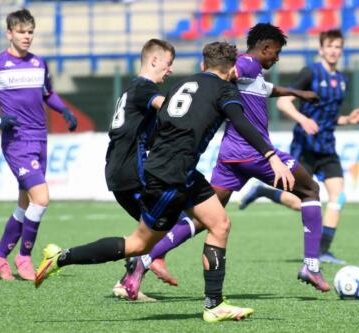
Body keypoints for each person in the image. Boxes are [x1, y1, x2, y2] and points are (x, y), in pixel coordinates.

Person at [34, 41, 294, 322]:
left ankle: (214, 305)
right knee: (138, 244)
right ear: (232, 68)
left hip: (180, 172)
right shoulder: (224, 90)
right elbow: (242, 123)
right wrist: (271, 156)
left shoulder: (184, 83)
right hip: (170, 178)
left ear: (202, 65)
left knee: (220, 224)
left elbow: (163, 123)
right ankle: (60, 258)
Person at [124, 23, 332, 292]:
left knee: (204, 218)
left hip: (230, 157)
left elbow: (266, 89)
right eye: (276, 52)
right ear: (265, 48)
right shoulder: (246, 63)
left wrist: (297, 92)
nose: (277, 58)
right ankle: (311, 266)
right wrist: (223, 74)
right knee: (310, 189)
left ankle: (147, 257)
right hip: (252, 152)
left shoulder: (253, 73)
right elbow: (233, 71)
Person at [0, 9, 77, 281]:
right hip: (17, 141)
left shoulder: (39, 63)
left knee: (24, 204)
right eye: (21, 32)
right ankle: (24, 257)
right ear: (9, 33)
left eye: (30, 32)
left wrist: (64, 111)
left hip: (40, 138)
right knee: (41, 199)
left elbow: (48, 94)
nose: (27, 36)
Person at [240, 29, 359, 265]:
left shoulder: (343, 81)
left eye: (338, 47)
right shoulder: (310, 72)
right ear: (321, 49)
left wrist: (347, 120)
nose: (333, 51)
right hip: (305, 146)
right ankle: (266, 191)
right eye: (329, 46)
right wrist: (302, 119)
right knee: (301, 202)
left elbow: (329, 117)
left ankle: (323, 251)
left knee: (338, 198)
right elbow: (285, 102)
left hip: (327, 147)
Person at [101, 38, 180, 299]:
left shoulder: (131, 89)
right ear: (154, 60)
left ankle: (132, 276)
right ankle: (136, 274)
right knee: (165, 224)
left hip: (120, 169)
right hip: (130, 172)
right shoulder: (145, 89)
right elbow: (169, 108)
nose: (170, 70)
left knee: (157, 228)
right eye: (168, 64)